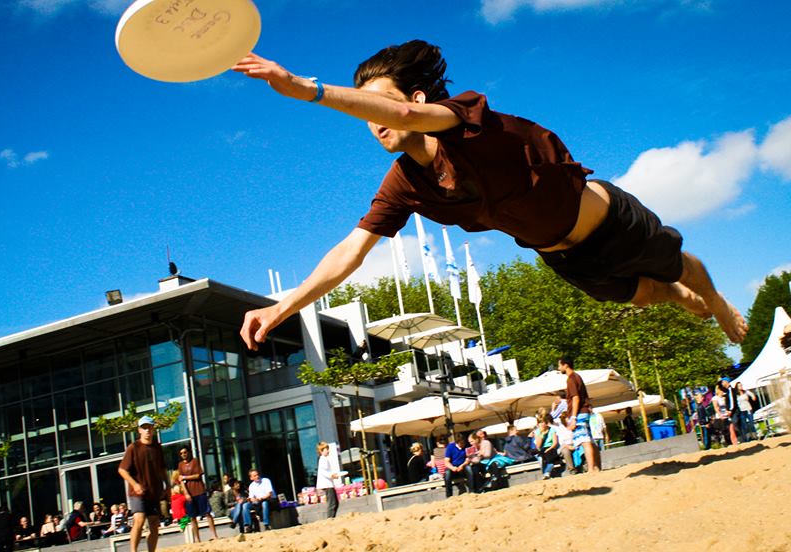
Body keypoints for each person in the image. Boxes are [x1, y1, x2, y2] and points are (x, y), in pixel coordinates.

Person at [234, 40, 748, 358]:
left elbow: (412, 120)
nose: (374, 121)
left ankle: (720, 305)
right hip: (562, 256)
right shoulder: (404, 183)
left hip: (607, 219)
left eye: (381, 105)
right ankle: (682, 299)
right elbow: (351, 251)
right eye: (366, 113)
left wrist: (303, 88)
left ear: (416, 99)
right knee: (651, 296)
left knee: (678, 266)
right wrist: (282, 307)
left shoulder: (460, 116)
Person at [118, 415, 169, 552]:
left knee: (154, 524)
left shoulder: (157, 447)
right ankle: (133, 550)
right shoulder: (133, 448)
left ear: (153, 429)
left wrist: (167, 486)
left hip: (154, 492)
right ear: (139, 430)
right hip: (138, 492)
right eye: (144, 427)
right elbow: (122, 470)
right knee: (139, 519)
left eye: (149, 427)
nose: (147, 430)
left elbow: (162, 469)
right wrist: (134, 484)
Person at [558, 356, 600, 473]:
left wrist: (573, 417)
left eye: (559, 365)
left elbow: (575, 398)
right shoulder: (578, 377)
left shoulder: (571, 379)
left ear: (565, 365)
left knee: (584, 441)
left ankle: (591, 468)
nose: (558, 368)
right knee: (590, 440)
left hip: (579, 413)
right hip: (584, 411)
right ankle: (597, 467)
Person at [177, 445, 218, 542]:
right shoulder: (180, 465)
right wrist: (186, 493)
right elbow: (180, 480)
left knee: (207, 513)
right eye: (181, 453)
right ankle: (197, 538)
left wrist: (185, 477)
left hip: (199, 490)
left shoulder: (195, 461)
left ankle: (214, 535)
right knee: (192, 517)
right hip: (189, 493)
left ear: (189, 452)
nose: (184, 455)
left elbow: (198, 475)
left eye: (185, 452)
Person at [315, 441, 342, 518]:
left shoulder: (323, 459)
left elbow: (326, 472)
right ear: (321, 451)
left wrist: (333, 475)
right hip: (327, 484)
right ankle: (330, 519)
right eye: (326, 449)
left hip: (328, 484)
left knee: (334, 502)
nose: (328, 450)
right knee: (332, 503)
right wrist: (332, 475)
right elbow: (324, 472)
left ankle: (331, 518)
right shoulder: (323, 459)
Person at [534, 414, 561, 479]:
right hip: (541, 449)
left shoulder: (552, 430)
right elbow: (538, 446)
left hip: (550, 447)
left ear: (546, 423)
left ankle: (546, 473)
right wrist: (542, 435)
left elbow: (555, 442)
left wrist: (549, 449)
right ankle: (546, 473)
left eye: (543, 422)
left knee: (549, 457)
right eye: (540, 422)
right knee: (541, 458)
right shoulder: (537, 432)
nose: (542, 424)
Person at [443, 432, 469, 497]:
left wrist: (462, 465)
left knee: (469, 469)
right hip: (453, 468)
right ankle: (449, 495)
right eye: (461, 443)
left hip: (463, 466)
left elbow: (468, 459)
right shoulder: (450, 447)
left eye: (463, 442)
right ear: (457, 442)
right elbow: (446, 461)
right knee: (447, 473)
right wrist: (452, 468)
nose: (463, 444)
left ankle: (472, 490)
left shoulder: (466, 447)